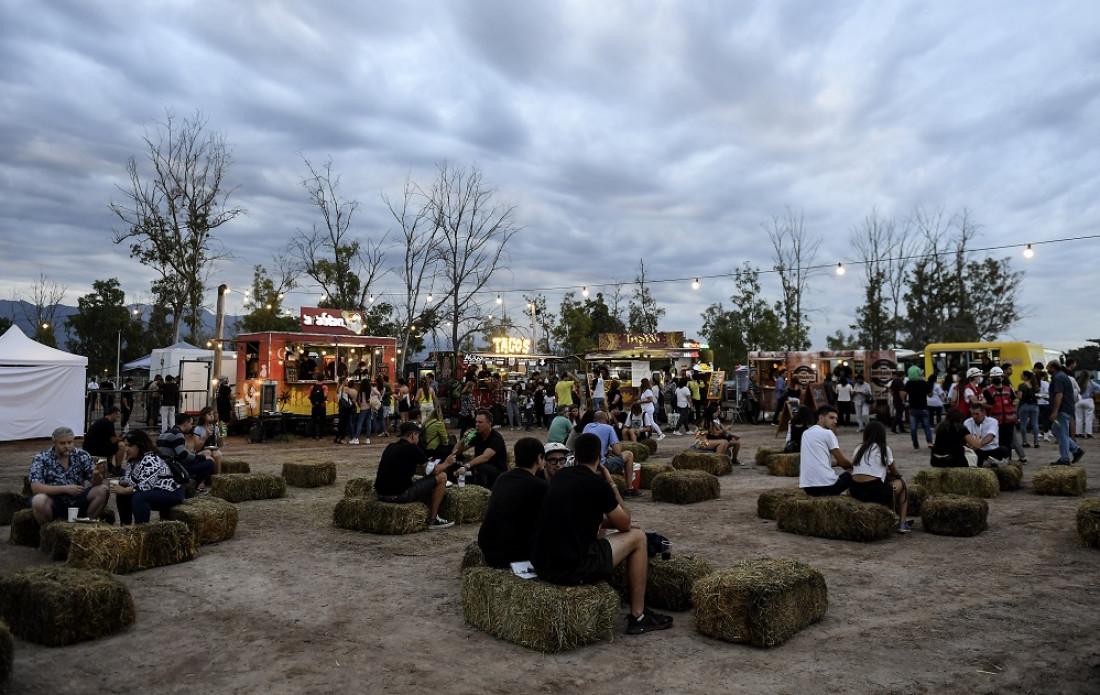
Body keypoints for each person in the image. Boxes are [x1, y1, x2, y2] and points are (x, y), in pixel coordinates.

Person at [530, 433, 673, 636]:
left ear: (575, 456)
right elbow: (626, 523)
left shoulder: (561, 476)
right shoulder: (598, 485)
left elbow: (580, 516)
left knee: (624, 532)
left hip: (543, 564)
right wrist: (612, 484)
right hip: (570, 570)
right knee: (639, 537)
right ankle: (639, 616)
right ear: (600, 456)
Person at [477, 437, 549, 568]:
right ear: (539, 458)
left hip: (487, 545)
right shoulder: (539, 486)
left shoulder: (502, 478)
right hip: (511, 553)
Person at [375, 421, 454, 529]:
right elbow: (434, 471)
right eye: (418, 436)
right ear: (413, 435)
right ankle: (433, 519)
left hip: (380, 494)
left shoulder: (391, 447)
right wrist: (447, 463)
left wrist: (424, 462)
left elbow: (407, 467)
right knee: (442, 477)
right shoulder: (413, 448)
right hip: (399, 495)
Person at [28, 426, 110, 525]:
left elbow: (96, 483)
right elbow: (36, 488)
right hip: (54, 503)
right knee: (38, 500)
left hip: (78, 501)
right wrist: (65, 489)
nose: (67, 446)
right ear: (54, 443)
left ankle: (87, 526)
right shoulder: (41, 458)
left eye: (70, 442)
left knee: (103, 490)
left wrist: (97, 475)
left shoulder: (82, 455)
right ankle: (49, 532)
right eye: (62, 443)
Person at [111, 429, 185, 525]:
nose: (126, 449)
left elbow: (145, 486)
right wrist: (121, 483)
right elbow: (131, 481)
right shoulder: (133, 460)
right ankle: (125, 527)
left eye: (130, 446)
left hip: (170, 492)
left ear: (140, 446)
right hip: (154, 491)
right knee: (123, 494)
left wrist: (124, 490)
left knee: (139, 497)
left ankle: (141, 530)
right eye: (126, 446)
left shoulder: (151, 458)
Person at [849, 422, 910, 533]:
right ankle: (903, 522)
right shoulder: (884, 449)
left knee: (886, 487)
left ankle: (890, 517)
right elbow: (895, 472)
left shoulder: (859, 448)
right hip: (874, 492)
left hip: (855, 491)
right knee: (901, 483)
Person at [444, 408, 508, 489]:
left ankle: (482, 493)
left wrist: (466, 466)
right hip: (478, 471)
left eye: (480, 422)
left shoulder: (496, 438)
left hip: (497, 472)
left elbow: (485, 457)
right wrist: (463, 439)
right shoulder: (477, 435)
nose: (477, 424)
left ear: (489, 423)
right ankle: (458, 490)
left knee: (481, 468)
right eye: (476, 422)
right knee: (452, 467)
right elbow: (455, 452)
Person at [798, 406, 853, 496]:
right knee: (856, 473)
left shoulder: (806, 433)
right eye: (831, 418)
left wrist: (837, 463)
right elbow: (843, 463)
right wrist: (854, 466)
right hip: (827, 486)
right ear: (821, 418)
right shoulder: (827, 433)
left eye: (836, 419)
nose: (835, 421)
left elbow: (819, 461)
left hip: (808, 488)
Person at [157, 413, 216, 492]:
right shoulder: (178, 434)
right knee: (209, 464)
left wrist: (196, 455)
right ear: (185, 424)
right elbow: (183, 454)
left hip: (164, 464)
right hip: (173, 466)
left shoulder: (165, 432)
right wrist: (203, 457)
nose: (191, 427)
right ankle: (192, 487)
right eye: (191, 424)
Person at [583, 411, 637, 494]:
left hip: (585, 464)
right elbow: (617, 452)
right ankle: (629, 488)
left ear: (594, 419)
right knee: (629, 455)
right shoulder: (608, 428)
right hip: (600, 464)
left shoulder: (587, 427)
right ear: (606, 419)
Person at [1047, 360, 1084, 466]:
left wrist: (1055, 411)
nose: (1047, 370)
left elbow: (1059, 395)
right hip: (1066, 408)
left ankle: (1065, 459)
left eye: (1048, 367)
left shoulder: (1058, 377)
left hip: (1062, 410)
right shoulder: (1063, 376)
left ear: (1053, 368)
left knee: (1062, 434)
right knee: (1055, 430)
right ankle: (1076, 450)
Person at [983, 367, 1024, 463]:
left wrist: (1013, 404)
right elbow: (985, 404)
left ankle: (1008, 459)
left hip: (1009, 420)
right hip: (996, 422)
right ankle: (999, 459)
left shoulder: (1008, 389)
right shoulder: (987, 391)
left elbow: (1015, 399)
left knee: (1008, 442)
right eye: (994, 377)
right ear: (991, 379)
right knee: (998, 442)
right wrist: (992, 407)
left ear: (1002, 378)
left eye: (998, 377)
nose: (996, 379)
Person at [963, 403, 1010, 468]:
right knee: (974, 454)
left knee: (1003, 450)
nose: (974, 416)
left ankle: (992, 462)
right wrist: (976, 446)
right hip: (977, 450)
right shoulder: (967, 422)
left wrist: (979, 444)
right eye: (972, 414)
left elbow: (991, 436)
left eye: (977, 414)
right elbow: (967, 438)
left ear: (983, 413)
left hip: (992, 449)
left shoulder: (992, 421)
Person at [83, 405, 126, 472]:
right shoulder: (108, 423)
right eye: (117, 417)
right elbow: (113, 440)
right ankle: (118, 468)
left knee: (111, 445)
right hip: (94, 450)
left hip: (90, 448)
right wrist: (123, 438)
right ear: (113, 414)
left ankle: (110, 465)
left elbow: (109, 438)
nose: (118, 419)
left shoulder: (103, 421)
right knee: (121, 445)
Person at [902, 370, 933, 451]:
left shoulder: (909, 383)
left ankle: (916, 445)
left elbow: (903, 393)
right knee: (927, 427)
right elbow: (930, 395)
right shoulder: (924, 383)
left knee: (913, 428)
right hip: (924, 408)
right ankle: (929, 442)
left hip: (913, 409)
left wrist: (904, 401)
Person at [190, 406, 224, 476]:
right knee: (208, 452)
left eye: (212, 414)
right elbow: (197, 448)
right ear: (204, 416)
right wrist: (206, 435)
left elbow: (220, 445)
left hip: (213, 449)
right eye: (209, 414)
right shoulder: (198, 429)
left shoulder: (216, 428)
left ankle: (217, 476)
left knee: (216, 454)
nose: (212, 416)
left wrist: (222, 436)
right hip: (201, 451)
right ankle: (204, 477)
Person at [1017, 370, 1041, 449]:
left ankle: (1024, 441)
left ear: (1026, 377)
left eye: (1022, 375)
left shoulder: (1022, 385)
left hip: (1024, 405)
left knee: (1023, 424)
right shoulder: (1035, 385)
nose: (1021, 376)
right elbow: (1038, 395)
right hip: (1034, 406)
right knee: (1035, 424)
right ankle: (1036, 441)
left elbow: (1019, 397)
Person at [1075, 372, 1097, 439]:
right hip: (1088, 400)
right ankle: (1088, 433)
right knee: (1088, 418)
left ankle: (1079, 433)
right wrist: (1093, 392)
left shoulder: (1077, 382)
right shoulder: (1091, 383)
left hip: (1078, 400)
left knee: (1079, 418)